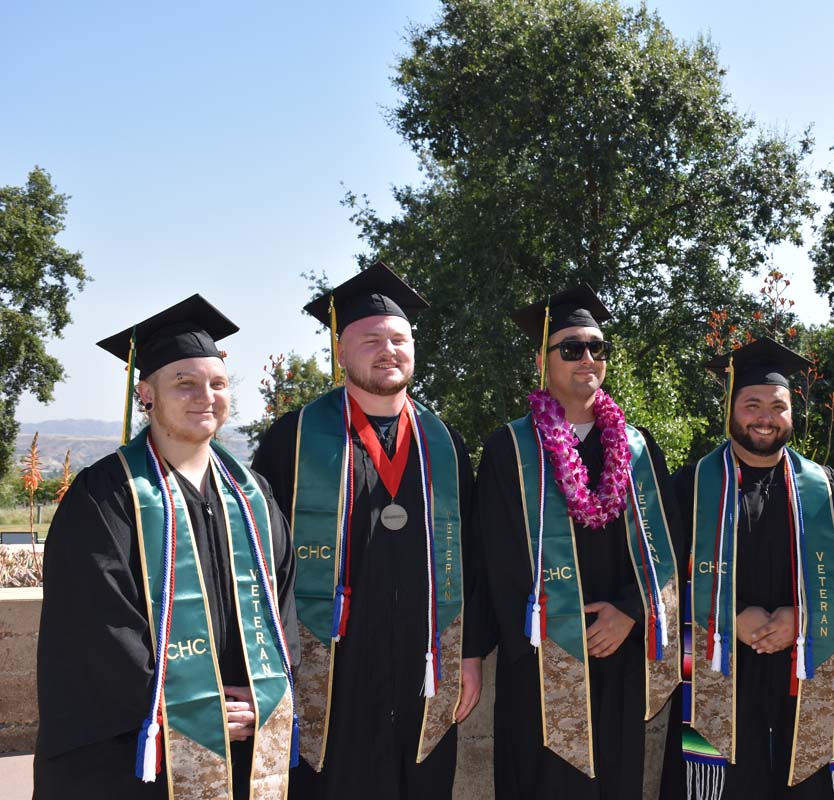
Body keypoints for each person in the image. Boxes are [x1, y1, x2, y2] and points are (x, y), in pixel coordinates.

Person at [35, 295, 300, 800]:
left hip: (243, 731)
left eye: (218, 384)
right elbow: (96, 626)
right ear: (146, 394)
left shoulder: (252, 495)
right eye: (185, 383)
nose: (206, 395)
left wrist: (263, 692)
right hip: (139, 746)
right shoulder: (106, 495)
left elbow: (280, 602)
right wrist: (189, 705)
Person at [251, 262, 488, 800]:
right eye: (370, 339)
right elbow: (262, 556)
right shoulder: (294, 438)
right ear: (340, 351)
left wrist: (469, 652)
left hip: (425, 660)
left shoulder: (443, 441)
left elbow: (471, 556)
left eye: (398, 338)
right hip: (331, 661)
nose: (388, 350)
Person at [475, 284, 682, 799]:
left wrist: (632, 611)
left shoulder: (638, 446)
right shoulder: (510, 448)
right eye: (571, 349)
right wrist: (554, 621)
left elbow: (669, 546)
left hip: (620, 650)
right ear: (544, 360)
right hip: (540, 657)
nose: (587, 358)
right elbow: (490, 555)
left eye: (597, 348)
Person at [660, 337, 834, 800]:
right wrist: (732, 616)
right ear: (731, 409)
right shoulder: (691, 487)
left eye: (777, 406)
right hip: (720, 665)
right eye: (751, 404)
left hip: (805, 665)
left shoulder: (824, 487)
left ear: (792, 414)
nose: (764, 417)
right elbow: (663, 574)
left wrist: (800, 618)